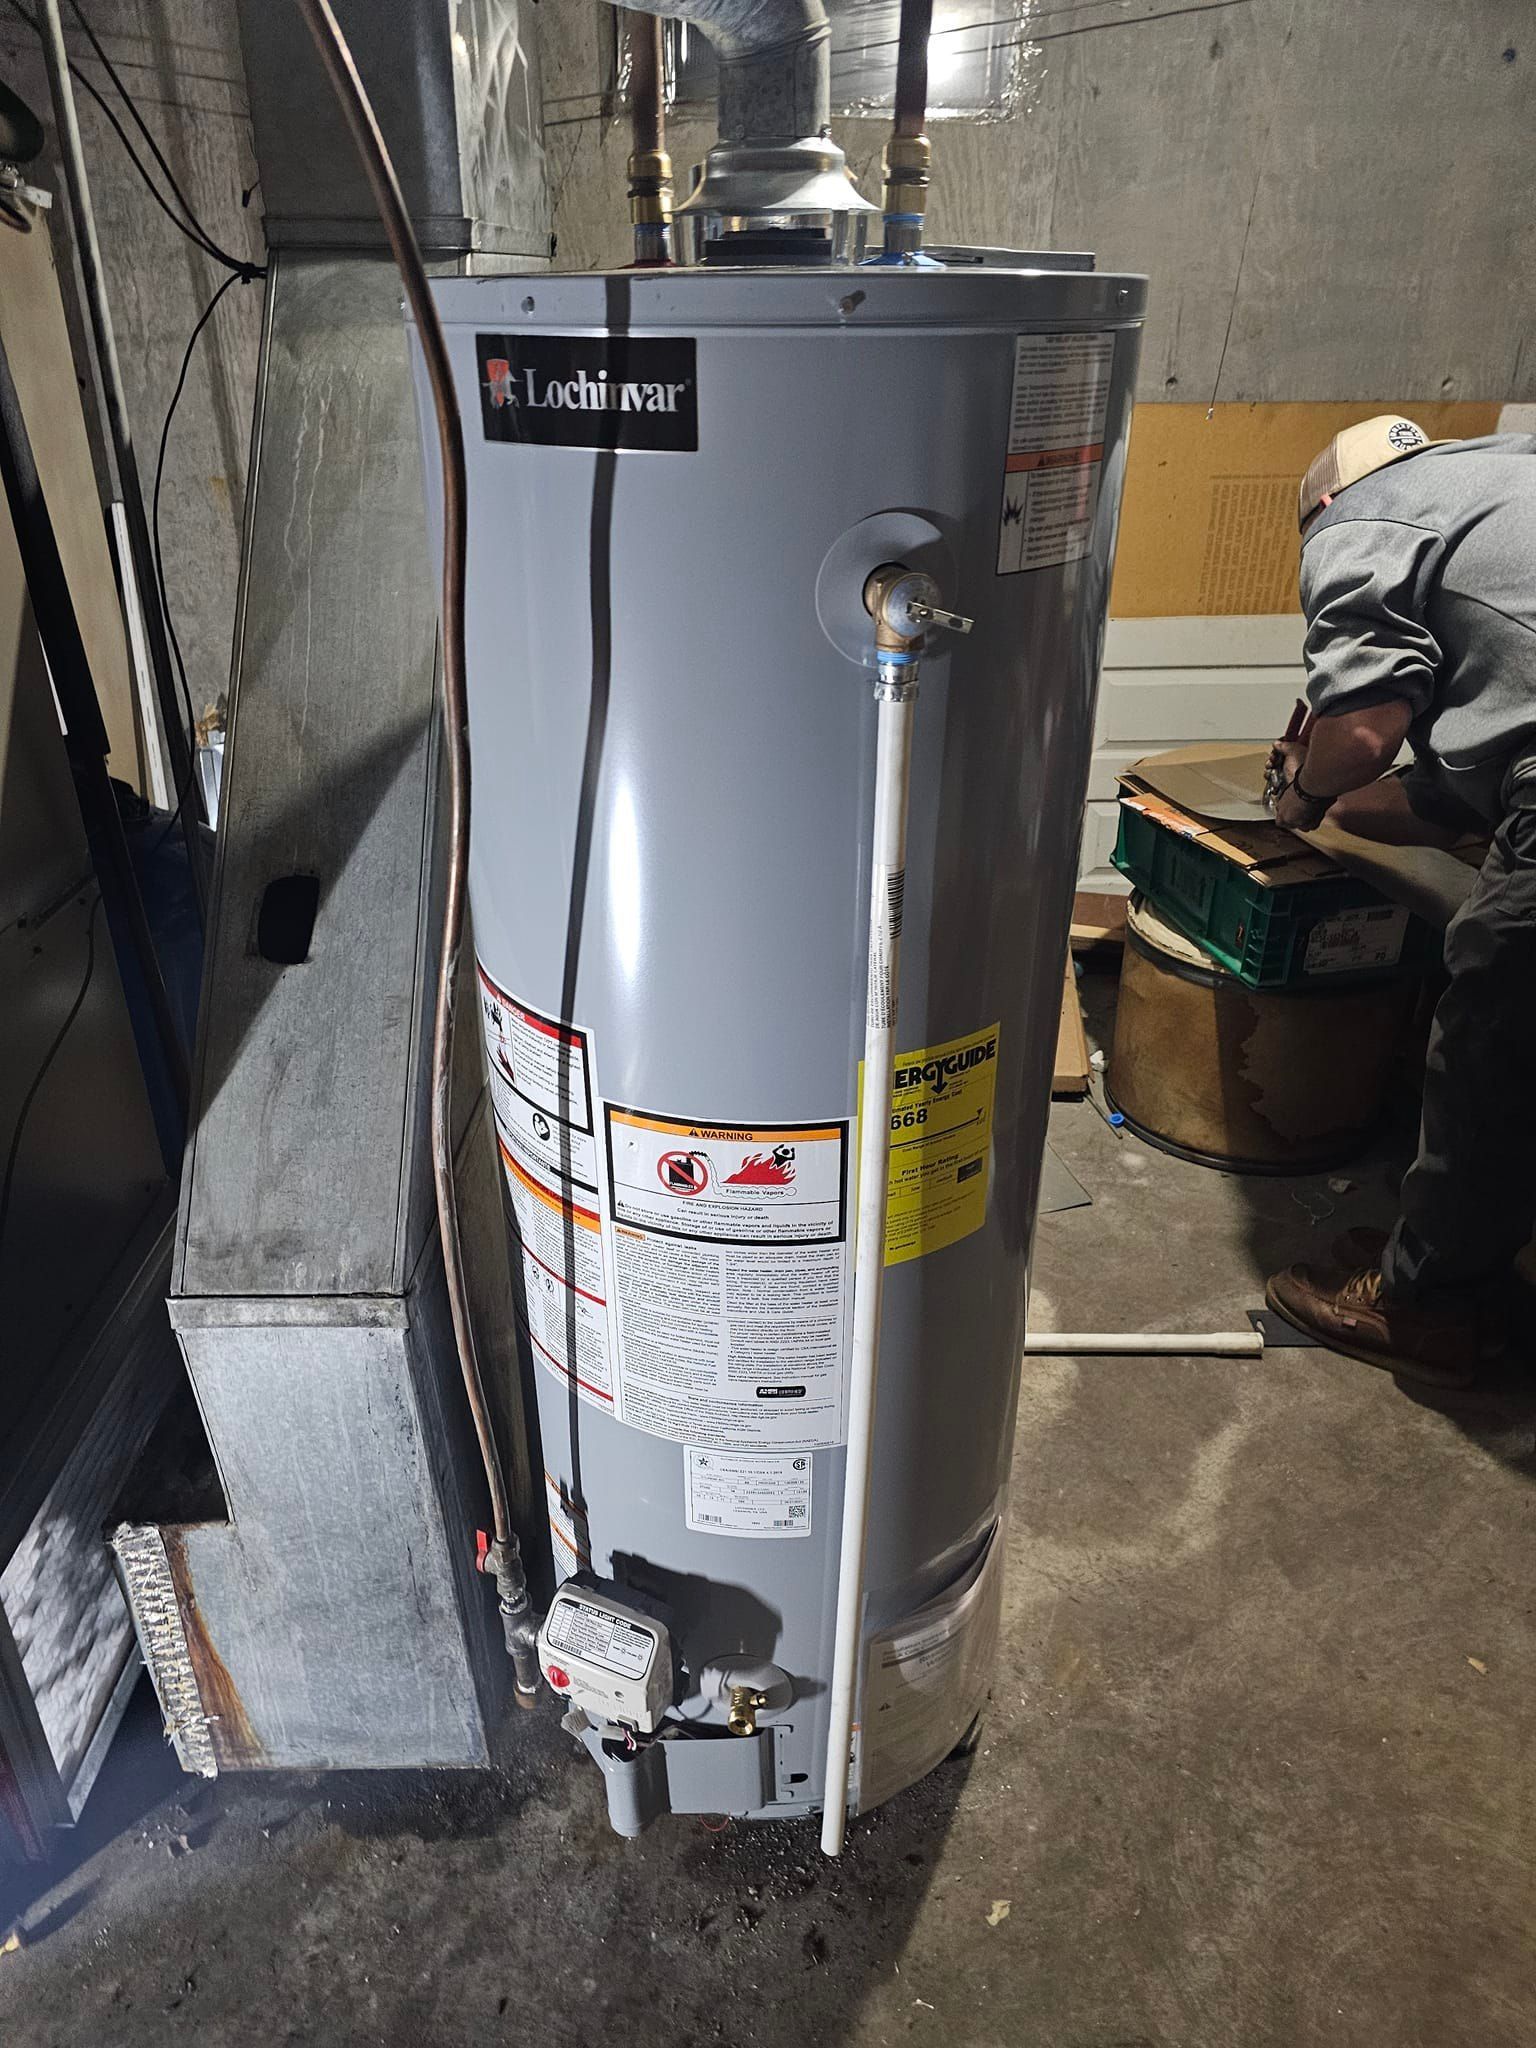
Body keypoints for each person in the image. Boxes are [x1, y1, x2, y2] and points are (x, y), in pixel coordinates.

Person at [1263, 414, 1536, 1388]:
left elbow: (1365, 738)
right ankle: (1460, 1257)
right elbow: (1427, 791)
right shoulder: (1502, 482)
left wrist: (1303, 794)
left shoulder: (1363, 518)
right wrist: (1344, 795)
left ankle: (1426, 1305)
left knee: (1494, 1046)